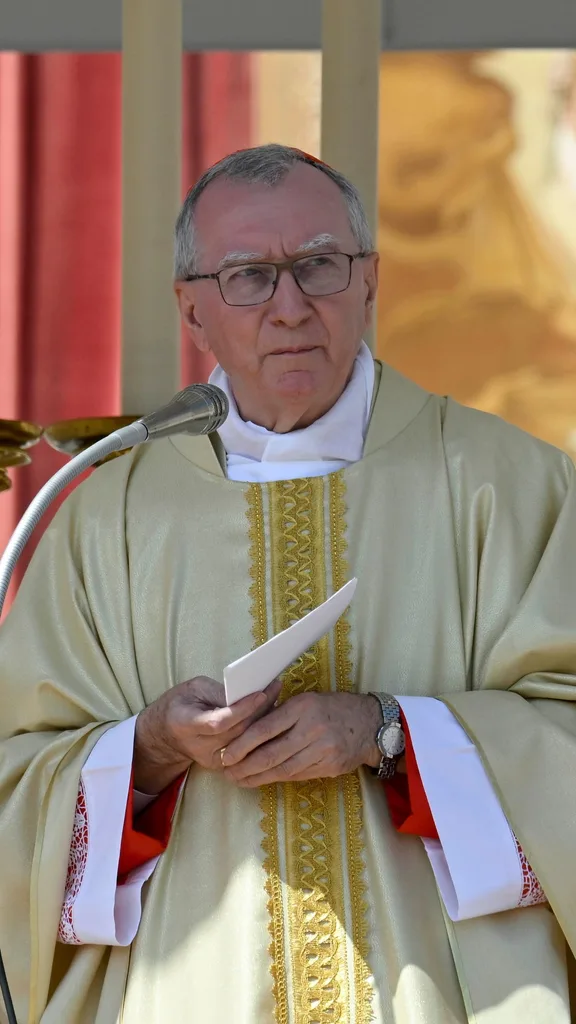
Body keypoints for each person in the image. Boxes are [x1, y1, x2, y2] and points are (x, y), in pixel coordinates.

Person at [0, 144, 575, 1024]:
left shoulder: (512, 484)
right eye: (248, 277)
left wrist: (388, 731)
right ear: (192, 307)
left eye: (319, 265)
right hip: (191, 987)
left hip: (438, 990)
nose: (291, 307)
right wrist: (148, 749)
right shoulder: (104, 517)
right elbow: (16, 782)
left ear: (370, 279)